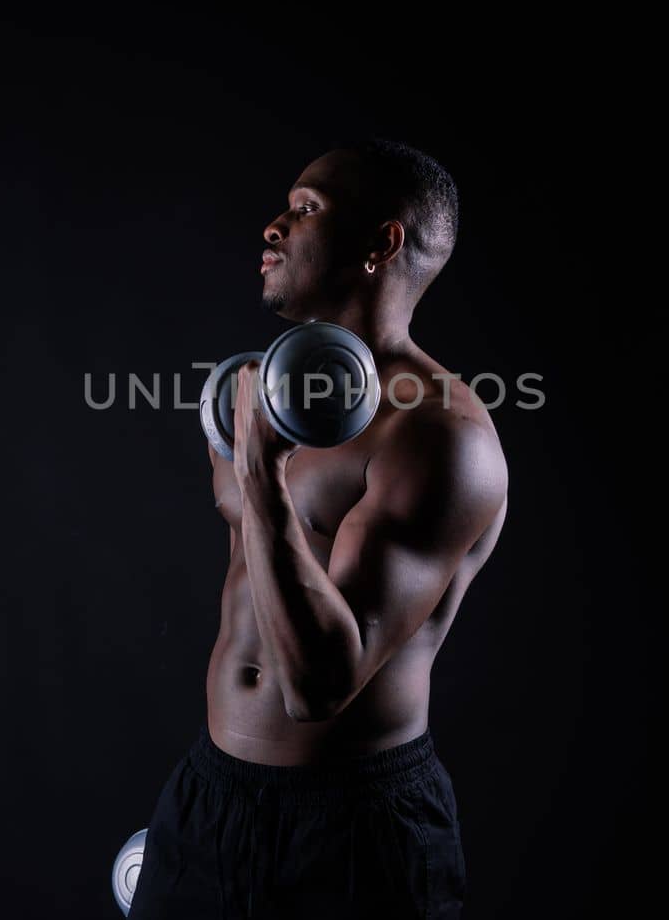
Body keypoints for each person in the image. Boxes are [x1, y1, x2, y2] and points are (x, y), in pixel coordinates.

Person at [129, 139, 509, 919]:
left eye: (305, 210)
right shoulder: (265, 398)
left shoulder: (442, 437)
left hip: (353, 832)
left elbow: (317, 686)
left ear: (383, 243)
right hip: (212, 794)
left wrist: (260, 478)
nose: (273, 226)